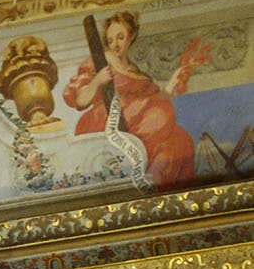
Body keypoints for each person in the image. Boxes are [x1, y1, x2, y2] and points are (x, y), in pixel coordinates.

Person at [62, 10, 206, 187]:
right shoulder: (99, 60)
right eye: (110, 40)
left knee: (180, 139)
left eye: (120, 37)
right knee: (160, 116)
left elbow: (157, 99)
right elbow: (80, 100)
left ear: (131, 36)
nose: (115, 44)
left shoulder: (135, 70)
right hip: (111, 121)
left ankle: (154, 187)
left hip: (142, 122)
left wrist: (174, 81)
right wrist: (98, 80)